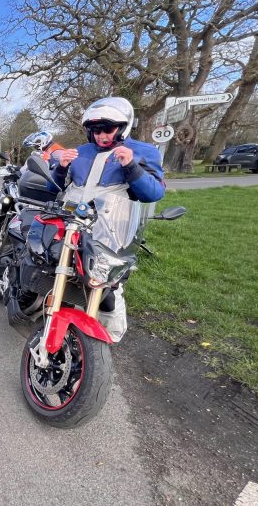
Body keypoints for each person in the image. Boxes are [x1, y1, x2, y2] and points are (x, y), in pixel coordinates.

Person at [51, 97, 165, 342]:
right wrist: (60, 168)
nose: (101, 135)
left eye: (107, 129)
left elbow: (153, 193)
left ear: (123, 126)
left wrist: (131, 166)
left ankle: (107, 339)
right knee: (63, 272)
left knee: (108, 287)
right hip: (73, 226)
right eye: (94, 130)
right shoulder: (81, 151)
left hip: (113, 231)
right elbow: (56, 188)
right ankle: (57, 319)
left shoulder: (144, 151)